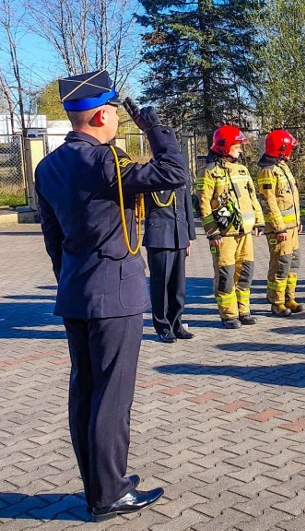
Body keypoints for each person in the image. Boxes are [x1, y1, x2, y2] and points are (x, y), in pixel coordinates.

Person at [35, 70, 184, 521]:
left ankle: (100, 484)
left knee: (86, 392)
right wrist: (156, 127)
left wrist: (71, 278)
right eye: (117, 112)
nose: (120, 119)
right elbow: (173, 172)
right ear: (102, 113)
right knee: (112, 398)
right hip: (114, 292)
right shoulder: (104, 161)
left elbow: (51, 236)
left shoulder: (48, 165)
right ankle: (110, 494)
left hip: (77, 290)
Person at [195, 125, 264, 328]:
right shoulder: (209, 172)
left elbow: (253, 198)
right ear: (224, 147)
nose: (240, 149)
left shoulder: (242, 170)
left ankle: (244, 310)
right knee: (226, 274)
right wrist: (212, 231)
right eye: (237, 145)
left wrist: (259, 221)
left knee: (245, 272)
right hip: (223, 235)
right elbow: (203, 205)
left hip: (245, 233)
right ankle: (229, 314)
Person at [256, 129, 304, 317]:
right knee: (280, 264)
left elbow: (292, 197)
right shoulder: (267, 171)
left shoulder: (282, 167)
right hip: (280, 230)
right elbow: (269, 202)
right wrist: (278, 227)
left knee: (293, 263)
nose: (291, 150)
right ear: (281, 148)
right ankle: (276, 302)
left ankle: (289, 297)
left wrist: (298, 220)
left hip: (291, 227)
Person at [143, 178, 195, 343]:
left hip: (179, 235)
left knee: (178, 286)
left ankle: (176, 323)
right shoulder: (151, 174)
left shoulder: (180, 175)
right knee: (161, 286)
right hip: (159, 236)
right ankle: (163, 327)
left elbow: (187, 206)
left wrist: (190, 236)